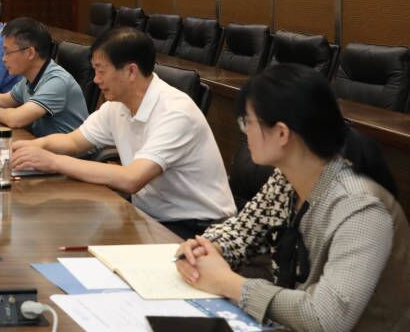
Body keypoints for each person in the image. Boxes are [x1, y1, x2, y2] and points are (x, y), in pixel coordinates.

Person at [174, 64, 410, 331]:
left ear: (282, 133)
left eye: (247, 122)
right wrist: (204, 250)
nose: (244, 131)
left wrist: (227, 282)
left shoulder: (361, 209)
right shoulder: (286, 178)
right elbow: (241, 232)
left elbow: (324, 318)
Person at [9, 27, 234, 238]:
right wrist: (33, 147)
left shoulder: (176, 112)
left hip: (197, 228)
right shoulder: (117, 105)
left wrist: (53, 162)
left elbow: (131, 179)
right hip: (150, 216)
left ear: (130, 71)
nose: (96, 80)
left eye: (101, 71)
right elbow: (73, 141)